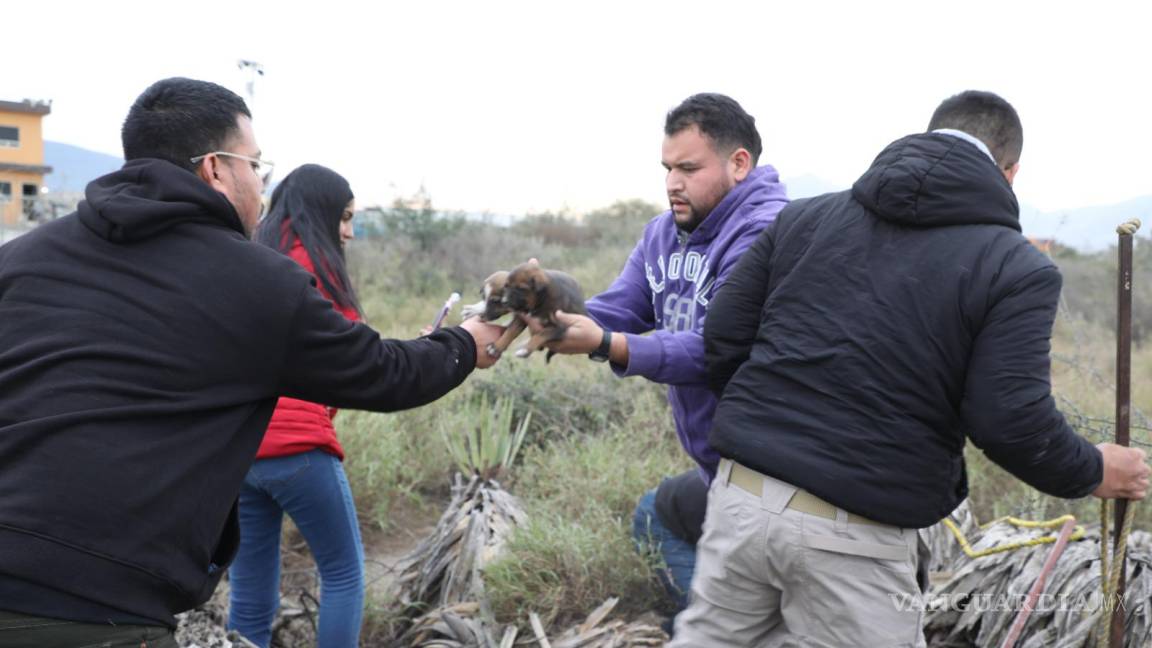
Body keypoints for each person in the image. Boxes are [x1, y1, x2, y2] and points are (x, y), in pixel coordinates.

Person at [0, 77, 504, 647]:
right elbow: (383, 371)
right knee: (343, 571)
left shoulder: (19, 261)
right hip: (99, 609)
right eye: (257, 165)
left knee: (252, 590)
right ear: (215, 168)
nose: (262, 186)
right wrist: (465, 343)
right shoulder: (256, 280)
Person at [669, 90, 1151, 647]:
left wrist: (771, 428)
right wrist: (1093, 469)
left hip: (740, 501)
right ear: (1011, 170)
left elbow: (723, 338)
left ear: (927, 136)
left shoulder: (804, 219)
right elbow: (1008, 420)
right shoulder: (1015, 267)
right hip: (856, 531)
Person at [535, 93, 789, 621]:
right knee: (654, 516)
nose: (673, 182)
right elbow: (618, 306)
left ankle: (720, 624)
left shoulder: (767, 235)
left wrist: (609, 346)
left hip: (777, 478)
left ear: (739, 163)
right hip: (719, 471)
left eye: (689, 168)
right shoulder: (663, 234)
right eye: (668, 168)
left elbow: (719, 350)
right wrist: (542, 310)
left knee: (719, 615)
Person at [226, 164, 369, 648]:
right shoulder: (317, 269)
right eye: (345, 218)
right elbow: (353, 363)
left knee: (248, 593)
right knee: (344, 575)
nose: (348, 231)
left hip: (240, 452)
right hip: (299, 446)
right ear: (323, 212)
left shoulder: (250, 258)